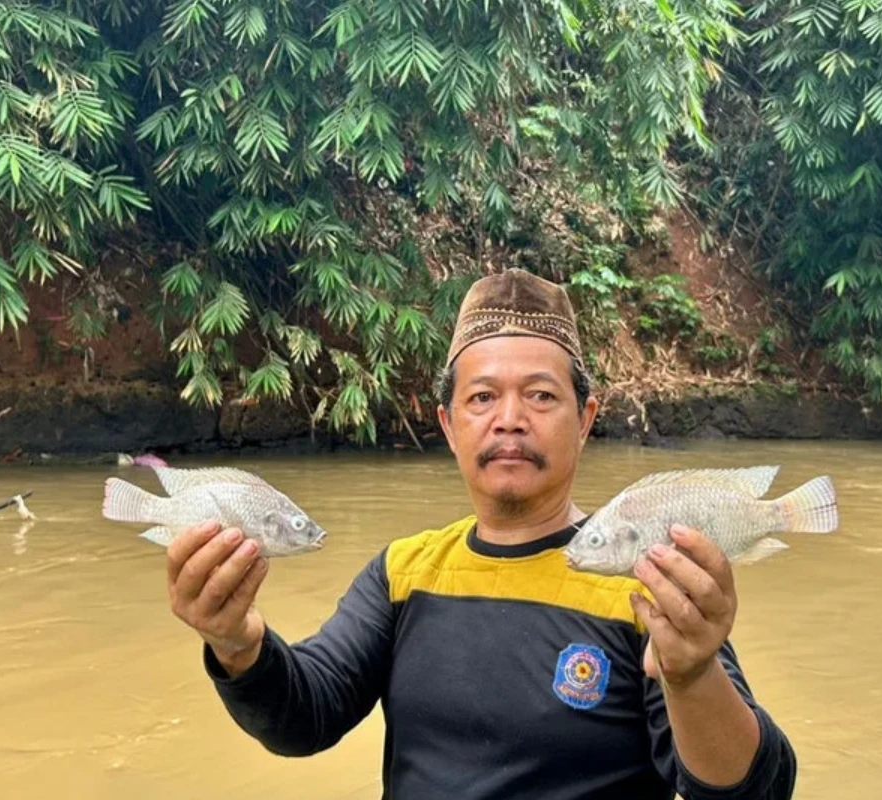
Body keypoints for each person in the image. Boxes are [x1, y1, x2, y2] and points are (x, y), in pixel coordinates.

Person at [165, 268, 797, 800]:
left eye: (542, 396)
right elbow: (306, 717)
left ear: (586, 419)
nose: (510, 420)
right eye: (482, 397)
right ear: (447, 423)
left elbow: (754, 790)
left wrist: (691, 677)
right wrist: (237, 643)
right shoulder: (404, 573)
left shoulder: (644, 577)